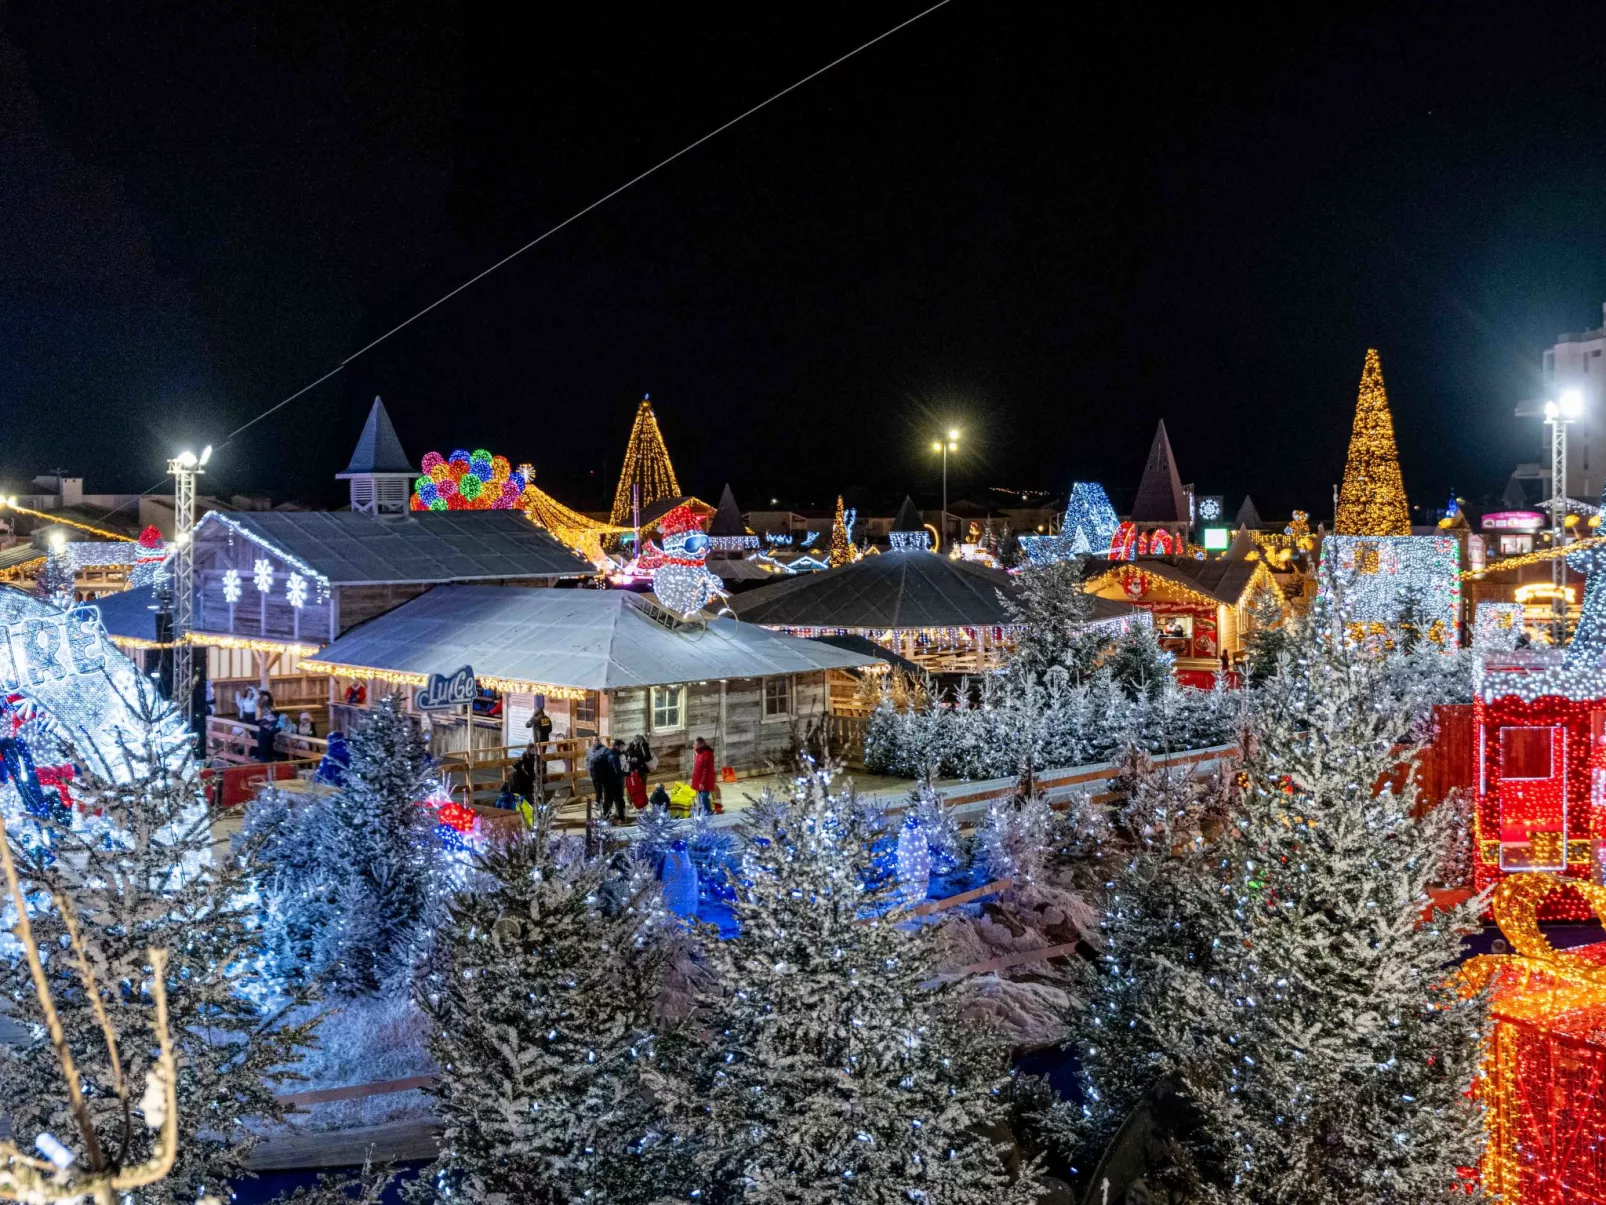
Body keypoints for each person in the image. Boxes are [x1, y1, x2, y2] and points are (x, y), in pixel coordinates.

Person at [603, 738, 628, 823]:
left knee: (608, 800)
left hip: (607, 781)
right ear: (617, 747)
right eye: (621, 747)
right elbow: (617, 770)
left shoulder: (608, 753)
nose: (622, 749)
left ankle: (606, 817)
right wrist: (628, 774)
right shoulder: (614, 755)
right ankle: (620, 818)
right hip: (614, 781)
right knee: (617, 799)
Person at [691, 735, 716, 814]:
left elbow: (706, 770)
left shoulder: (707, 754)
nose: (694, 746)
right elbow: (697, 767)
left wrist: (702, 782)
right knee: (700, 797)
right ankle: (702, 812)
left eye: (695, 744)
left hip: (705, 780)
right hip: (698, 778)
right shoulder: (699, 753)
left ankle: (708, 812)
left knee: (704, 797)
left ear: (700, 744)